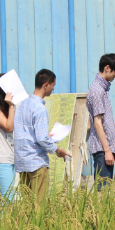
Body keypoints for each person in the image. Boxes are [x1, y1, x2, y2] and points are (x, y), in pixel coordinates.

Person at [14, 69, 70, 204]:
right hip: (36, 162)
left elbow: (25, 133)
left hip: (23, 161)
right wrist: (58, 150)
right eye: (53, 85)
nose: (53, 89)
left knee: (27, 204)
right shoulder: (40, 108)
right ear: (46, 85)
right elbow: (41, 139)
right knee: (39, 205)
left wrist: (45, 136)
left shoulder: (22, 105)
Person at [87, 53, 115, 188]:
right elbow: (97, 123)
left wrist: (113, 147)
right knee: (103, 191)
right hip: (102, 149)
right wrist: (107, 150)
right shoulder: (97, 90)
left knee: (106, 189)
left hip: (106, 148)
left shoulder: (102, 89)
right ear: (107, 68)